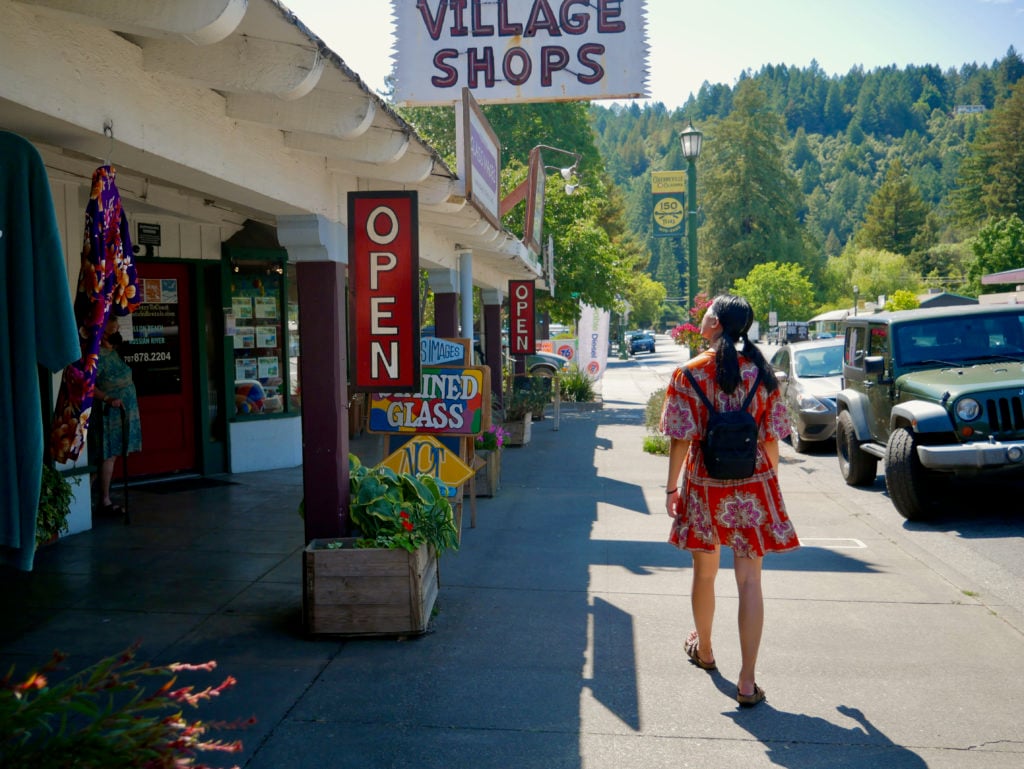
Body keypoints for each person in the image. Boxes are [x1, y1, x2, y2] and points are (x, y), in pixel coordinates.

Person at [660, 294, 799, 708]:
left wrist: (672, 488)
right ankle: (746, 680)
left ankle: (704, 651)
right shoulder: (762, 373)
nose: (701, 319)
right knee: (751, 581)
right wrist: (768, 485)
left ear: (717, 323)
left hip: (705, 484)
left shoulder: (688, 374)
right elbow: (772, 438)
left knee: (705, 574)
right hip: (753, 485)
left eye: (706, 315)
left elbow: (680, 438)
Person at [91, 317, 142, 516]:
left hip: (124, 410)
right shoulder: (97, 356)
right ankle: (104, 500)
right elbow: (88, 385)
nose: (117, 332)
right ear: (103, 333)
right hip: (109, 412)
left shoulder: (112, 351)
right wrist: (107, 398)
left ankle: (93, 496)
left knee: (109, 456)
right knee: (107, 455)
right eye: (113, 329)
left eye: (117, 328)